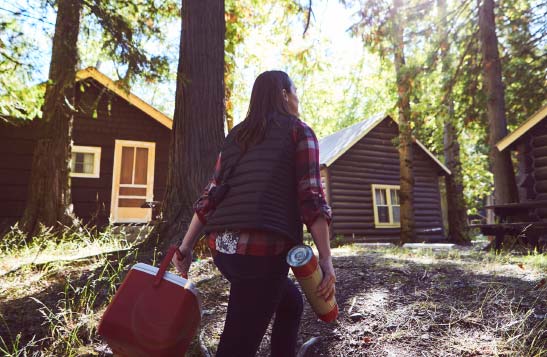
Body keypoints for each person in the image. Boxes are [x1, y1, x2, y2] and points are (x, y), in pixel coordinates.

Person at [172, 70, 335, 357]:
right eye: (295, 90)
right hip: (263, 254)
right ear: (284, 95)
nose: (298, 97)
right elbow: (311, 196)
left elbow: (212, 193)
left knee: (291, 301)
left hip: (223, 252)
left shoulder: (237, 135)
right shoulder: (299, 131)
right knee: (237, 346)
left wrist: (185, 248)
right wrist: (326, 259)